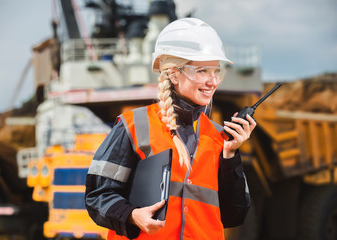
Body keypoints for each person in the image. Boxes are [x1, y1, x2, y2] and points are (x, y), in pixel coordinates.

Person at [85, 17, 256, 240]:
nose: (212, 81)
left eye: (216, 72)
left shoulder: (219, 137)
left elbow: (234, 215)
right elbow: (97, 196)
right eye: (202, 71)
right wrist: (132, 215)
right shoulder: (134, 126)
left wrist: (230, 154)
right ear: (173, 73)